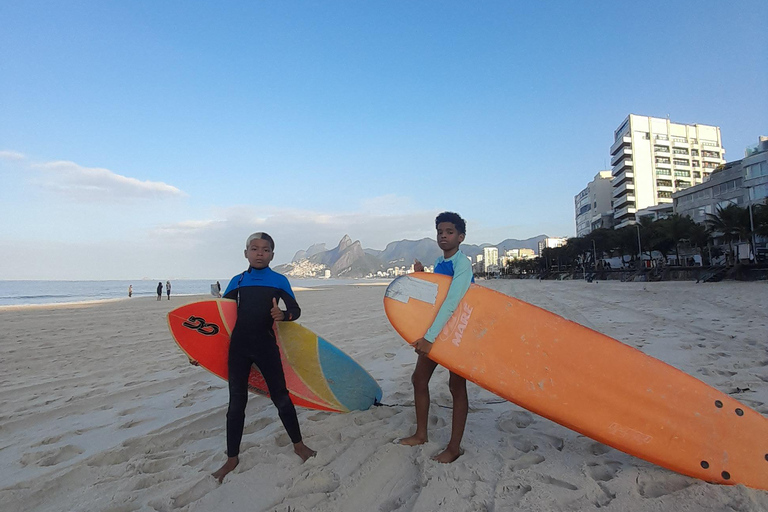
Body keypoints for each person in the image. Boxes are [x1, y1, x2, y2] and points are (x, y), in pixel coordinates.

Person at [212, 231, 316, 483]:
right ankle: (232, 458)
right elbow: (221, 319)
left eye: (265, 249)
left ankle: (299, 445)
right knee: (236, 403)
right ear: (246, 253)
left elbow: (295, 310)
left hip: (266, 346)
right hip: (238, 348)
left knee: (281, 397)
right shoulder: (236, 282)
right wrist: (200, 351)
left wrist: (283, 315)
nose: (260, 253)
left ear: (272, 254)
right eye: (255, 248)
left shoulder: (278, 281)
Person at [399, 212, 474, 463]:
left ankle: (454, 448)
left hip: (458, 333)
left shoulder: (462, 264)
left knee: (456, 387)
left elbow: (453, 302)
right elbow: (436, 297)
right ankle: (421, 434)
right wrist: (421, 275)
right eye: (440, 232)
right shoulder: (441, 263)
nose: (443, 236)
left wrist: (429, 338)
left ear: (460, 237)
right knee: (419, 379)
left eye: (449, 232)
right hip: (437, 330)